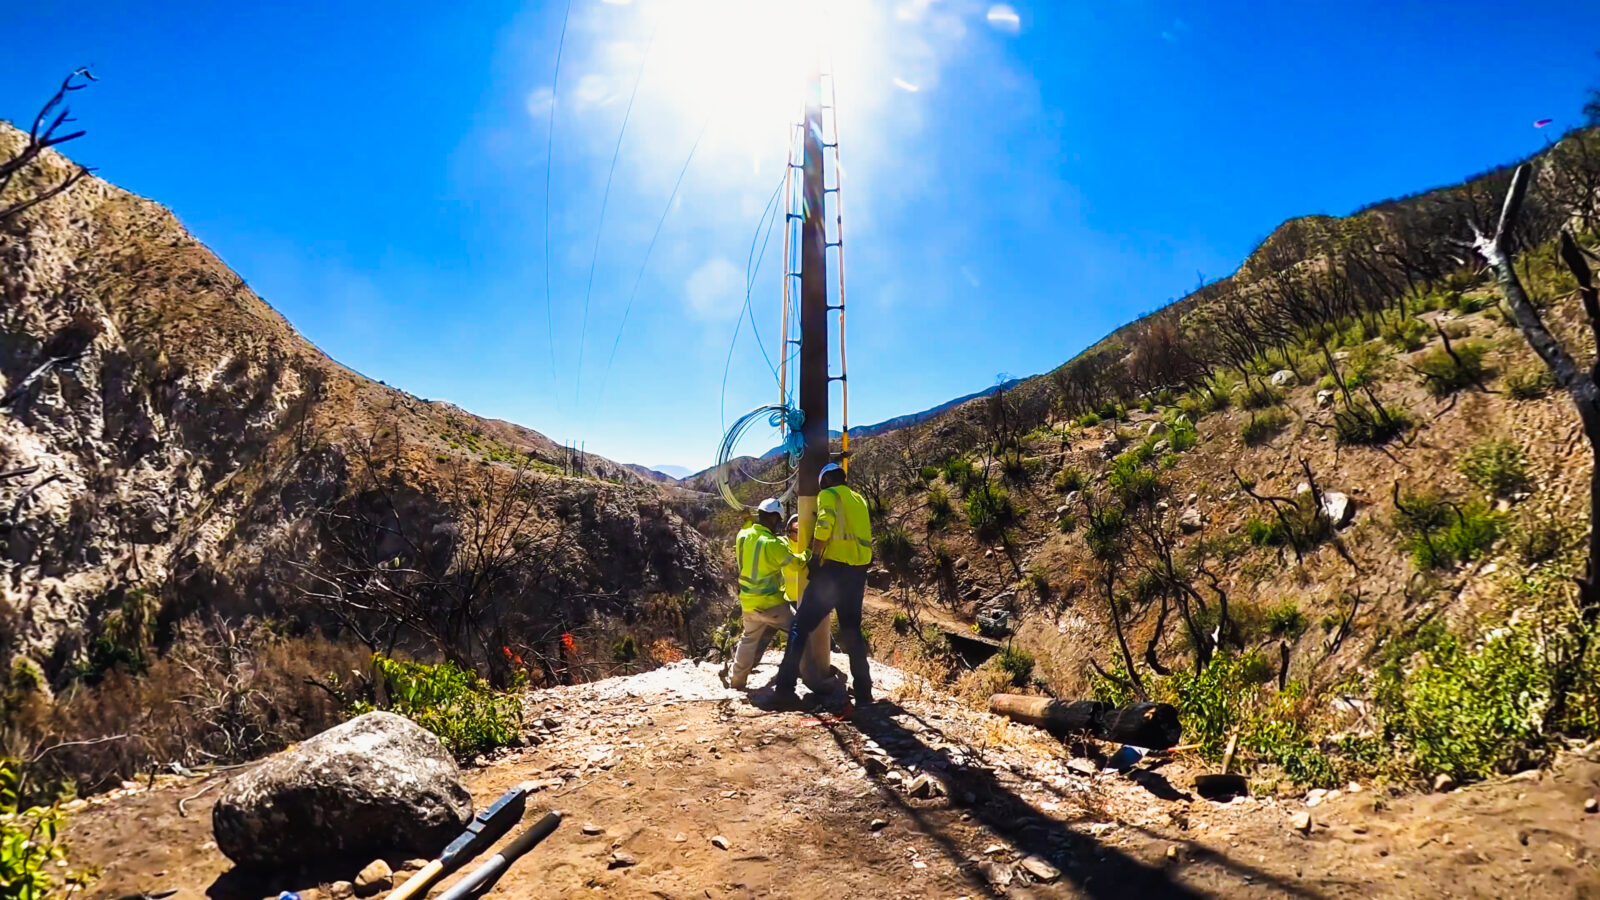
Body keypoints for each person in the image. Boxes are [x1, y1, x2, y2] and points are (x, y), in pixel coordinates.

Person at [762, 462, 875, 708]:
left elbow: (824, 527)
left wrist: (814, 560)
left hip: (833, 573)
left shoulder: (828, 495)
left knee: (800, 626)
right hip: (857, 574)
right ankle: (864, 691)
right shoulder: (859, 500)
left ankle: (784, 689)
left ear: (825, 482)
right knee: (852, 631)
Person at [726, 499, 833, 691]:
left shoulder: (743, 535)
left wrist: (746, 518)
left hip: (748, 602)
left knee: (748, 639)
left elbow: (748, 526)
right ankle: (812, 680)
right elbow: (797, 563)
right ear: (775, 518)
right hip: (771, 603)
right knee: (798, 633)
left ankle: (737, 681)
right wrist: (810, 551)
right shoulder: (773, 544)